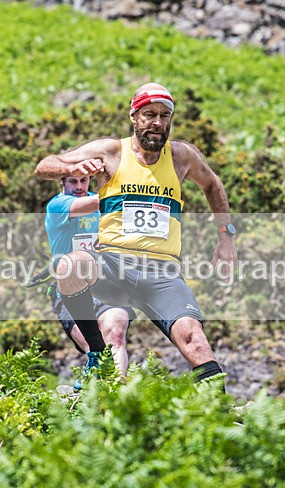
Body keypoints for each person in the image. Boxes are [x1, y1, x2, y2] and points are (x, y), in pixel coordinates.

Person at [35, 82, 238, 385]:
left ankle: (217, 416)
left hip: (161, 272)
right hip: (114, 265)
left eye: (164, 116)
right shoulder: (112, 151)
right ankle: (96, 354)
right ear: (134, 116)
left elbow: (212, 184)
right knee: (70, 265)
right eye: (149, 115)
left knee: (195, 340)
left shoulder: (181, 157)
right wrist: (77, 167)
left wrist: (225, 237)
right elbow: (44, 165)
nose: (157, 122)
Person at [45, 174, 135, 387]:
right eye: (72, 181)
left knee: (115, 335)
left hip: (104, 283)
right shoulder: (58, 206)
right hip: (70, 288)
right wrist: (132, 193)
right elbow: (97, 203)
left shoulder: (101, 201)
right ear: (62, 183)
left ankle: (116, 394)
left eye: (83, 181)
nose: (78, 186)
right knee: (94, 344)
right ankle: (97, 391)